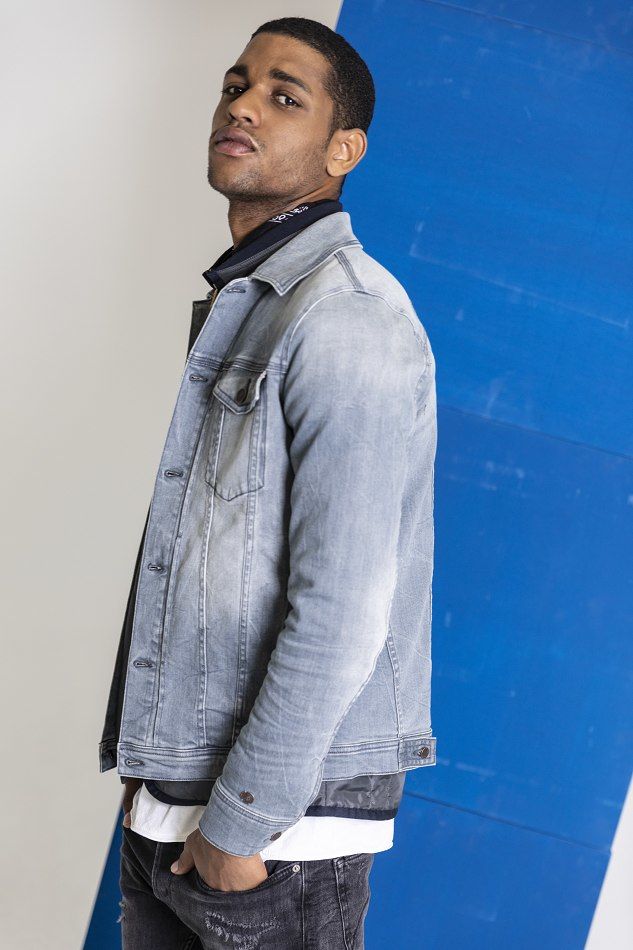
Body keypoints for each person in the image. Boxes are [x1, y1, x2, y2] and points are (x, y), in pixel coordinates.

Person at [99, 16, 437, 950]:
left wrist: (239, 828)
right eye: (235, 84)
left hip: (273, 837)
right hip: (176, 807)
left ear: (342, 150)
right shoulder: (255, 302)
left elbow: (344, 608)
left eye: (284, 97)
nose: (243, 105)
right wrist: (157, 780)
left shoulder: (347, 319)